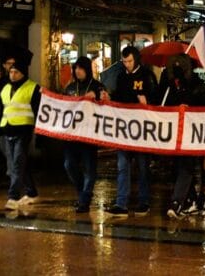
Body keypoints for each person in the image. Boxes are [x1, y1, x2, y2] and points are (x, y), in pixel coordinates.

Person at [154, 53, 205, 218]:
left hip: (193, 134)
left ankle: (177, 202)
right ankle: (190, 199)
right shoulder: (168, 85)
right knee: (178, 167)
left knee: (186, 166)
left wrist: (190, 109)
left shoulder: (198, 85)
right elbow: (160, 103)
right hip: (174, 135)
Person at [108, 46, 158, 218]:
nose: (127, 64)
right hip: (124, 129)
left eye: (129, 61)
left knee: (143, 167)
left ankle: (144, 201)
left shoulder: (147, 76)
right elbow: (117, 97)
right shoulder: (121, 76)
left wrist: (148, 101)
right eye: (124, 61)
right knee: (122, 166)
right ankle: (121, 203)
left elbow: (156, 100)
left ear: (136, 59)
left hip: (142, 131)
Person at [63, 56, 108, 212]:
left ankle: (84, 199)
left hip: (89, 135)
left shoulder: (97, 87)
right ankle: (82, 193)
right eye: (75, 68)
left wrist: (99, 97)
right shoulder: (70, 88)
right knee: (69, 165)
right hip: (72, 135)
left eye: (81, 68)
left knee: (90, 169)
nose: (78, 71)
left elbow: (106, 105)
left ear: (87, 70)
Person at [0, 59, 41, 210]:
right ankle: (31, 192)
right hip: (7, 129)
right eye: (11, 72)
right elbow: (1, 109)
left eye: (16, 72)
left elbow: (38, 110)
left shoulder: (33, 88)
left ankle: (13, 196)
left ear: (23, 73)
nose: (13, 75)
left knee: (16, 164)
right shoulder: (5, 88)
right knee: (21, 164)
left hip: (23, 130)